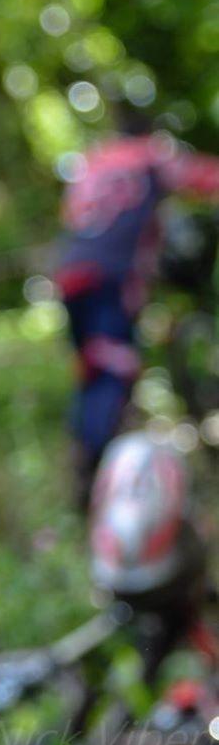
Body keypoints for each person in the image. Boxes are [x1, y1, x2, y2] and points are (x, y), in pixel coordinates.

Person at [55, 109, 219, 508]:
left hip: (69, 271)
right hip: (112, 277)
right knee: (114, 371)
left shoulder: (94, 163)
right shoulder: (150, 156)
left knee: (94, 370)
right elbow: (202, 178)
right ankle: (94, 478)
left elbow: (74, 215)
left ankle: (86, 467)